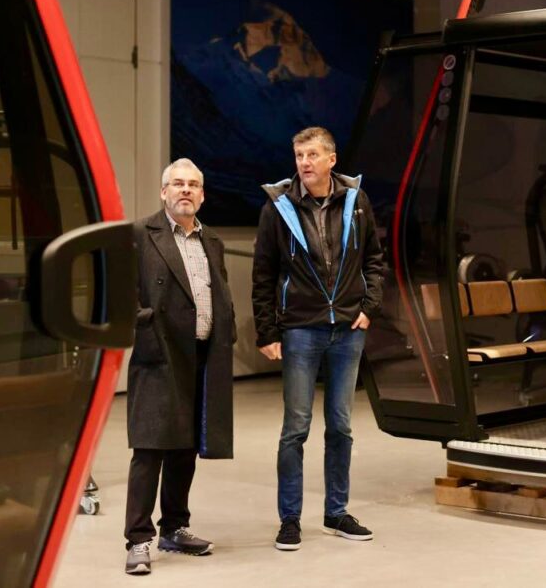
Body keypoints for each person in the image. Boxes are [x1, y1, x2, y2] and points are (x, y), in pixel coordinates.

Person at [252, 126, 384, 551]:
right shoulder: (277, 206)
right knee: (296, 428)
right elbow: (263, 275)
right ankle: (289, 519)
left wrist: (369, 307)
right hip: (300, 329)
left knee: (341, 426)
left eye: (312, 155)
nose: (304, 163)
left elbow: (375, 259)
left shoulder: (357, 201)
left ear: (331, 159)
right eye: (299, 156)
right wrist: (267, 331)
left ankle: (336, 512)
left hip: (348, 329)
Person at [124, 158, 236, 575]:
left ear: (202, 195)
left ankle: (174, 527)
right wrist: (143, 325)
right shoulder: (141, 234)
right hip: (159, 354)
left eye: (193, 185)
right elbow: (121, 290)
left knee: (185, 447)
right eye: (177, 184)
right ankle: (138, 539)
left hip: (202, 355)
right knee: (150, 447)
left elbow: (219, 291)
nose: (185, 190)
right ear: (163, 191)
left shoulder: (212, 241)